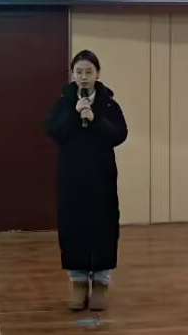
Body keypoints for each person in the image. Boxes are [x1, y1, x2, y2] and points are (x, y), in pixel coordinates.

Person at [45, 49, 128, 312]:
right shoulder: (64, 102)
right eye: (78, 72)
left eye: (88, 72)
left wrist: (96, 120)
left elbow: (119, 134)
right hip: (72, 179)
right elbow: (53, 130)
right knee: (74, 227)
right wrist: (74, 114)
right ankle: (78, 283)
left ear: (97, 74)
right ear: (72, 74)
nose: (83, 77)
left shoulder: (108, 104)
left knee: (102, 227)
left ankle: (101, 283)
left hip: (101, 179)